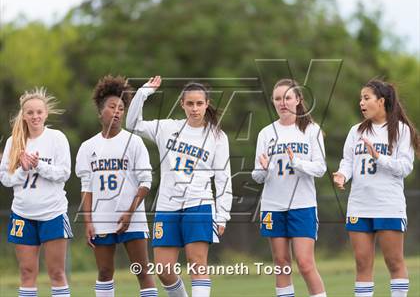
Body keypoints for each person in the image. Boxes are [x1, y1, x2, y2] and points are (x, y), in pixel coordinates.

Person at [126, 76, 232, 297]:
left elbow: (223, 178)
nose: (195, 108)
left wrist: (222, 215)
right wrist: (144, 91)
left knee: (197, 263)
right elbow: (132, 124)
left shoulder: (217, 136)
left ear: (206, 104)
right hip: (167, 206)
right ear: (182, 104)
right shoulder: (166, 128)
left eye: (199, 103)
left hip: (199, 205)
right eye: (190, 103)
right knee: (164, 269)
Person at [333, 79, 419, 297]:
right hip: (359, 206)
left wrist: (378, 157)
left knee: (394, 261)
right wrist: (343, 175)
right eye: (360, 98)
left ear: (381, 101)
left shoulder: (401, 130)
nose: (361, 102)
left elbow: (404, 168)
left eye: (366, 98)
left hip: (388, 205)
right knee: (362, 265)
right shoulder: (356, 131)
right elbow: (348, 161)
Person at [75, 75, 157, 297]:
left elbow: (146, 181)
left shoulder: (134, 142)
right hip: (102, 218)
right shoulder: (87, 147)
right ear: (100, 112)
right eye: (112, 107)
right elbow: (87, 186)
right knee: (104, 271)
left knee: (142, 271)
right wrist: (88, 222)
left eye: (121, 107)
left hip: (133, 218)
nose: (118, 111)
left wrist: (130, 212)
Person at [252, 79, 327, 297]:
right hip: (273, 206)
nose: (282, 102)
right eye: (277, 98)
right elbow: (258, 175)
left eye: (287, 97)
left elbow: (320, 168)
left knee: (304, 263)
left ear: (298, 100)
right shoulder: (266, 133)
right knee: (282, 263)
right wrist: (264, 169)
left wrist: (298, 163)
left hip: (302, 205)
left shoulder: (312, 130)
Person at [0, 88, 72, 297]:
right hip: (23, 214)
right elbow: (5, 179)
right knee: (26, 272)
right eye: (30, 112)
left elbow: (64, 173)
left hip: (52, 214)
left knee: (56, 273)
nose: (35, 116)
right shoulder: (14, 142)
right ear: (23, 115)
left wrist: (38, 165)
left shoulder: (57, 138)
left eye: (39, 112)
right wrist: (23, 169)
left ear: (46, 113)